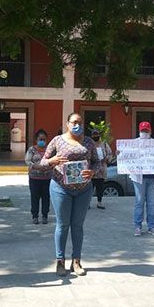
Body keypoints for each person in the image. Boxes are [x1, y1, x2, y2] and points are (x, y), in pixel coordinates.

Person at [41, 112, 100, 277]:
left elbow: (97, 162)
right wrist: (52, 161)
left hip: (84, 189)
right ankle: (60, 261)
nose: (77, 125)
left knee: (78, 226)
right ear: (67, 124)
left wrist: (92, 172)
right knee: (62, 225)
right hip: (61, 188)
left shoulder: (88, 142)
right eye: (74, 122)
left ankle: (76, 261)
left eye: (80, 122)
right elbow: (42, 162)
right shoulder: (57, 141)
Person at [131, 122, 154, 237]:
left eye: (146, 130)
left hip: (152, 178)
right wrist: (120, 154)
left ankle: (151, 226)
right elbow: (126, 157)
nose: (145, 132)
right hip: (139, 178)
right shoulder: (133, 144)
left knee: (151, 203)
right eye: (143, 130)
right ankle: (137, 226)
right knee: (139, 202)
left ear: (150, 131)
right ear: (139, 131)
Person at [25, 129, 53, 224]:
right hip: (34, 178)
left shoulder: (50, 150)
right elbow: (28, 161)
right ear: (36, 139)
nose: (42, 141)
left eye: (44, 139)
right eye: (40, 139)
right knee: (35, 197)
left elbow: (53, 161)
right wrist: (36, 166)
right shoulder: (31, 150)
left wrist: (48, 167)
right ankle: (35, 216)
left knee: (46, 197)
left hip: (47, 178)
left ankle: (45, 215)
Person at [90, 129, 113, 210]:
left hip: (101, 170)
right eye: (94, 135)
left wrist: (106, 159)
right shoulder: (89, 145)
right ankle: (88, 203)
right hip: (91, 171)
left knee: (100, 187)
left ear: (99, 135)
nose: (95, 136)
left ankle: (99, 202)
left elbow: (110, 154)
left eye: (97, 134)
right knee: (90, 188)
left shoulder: (104, 144)